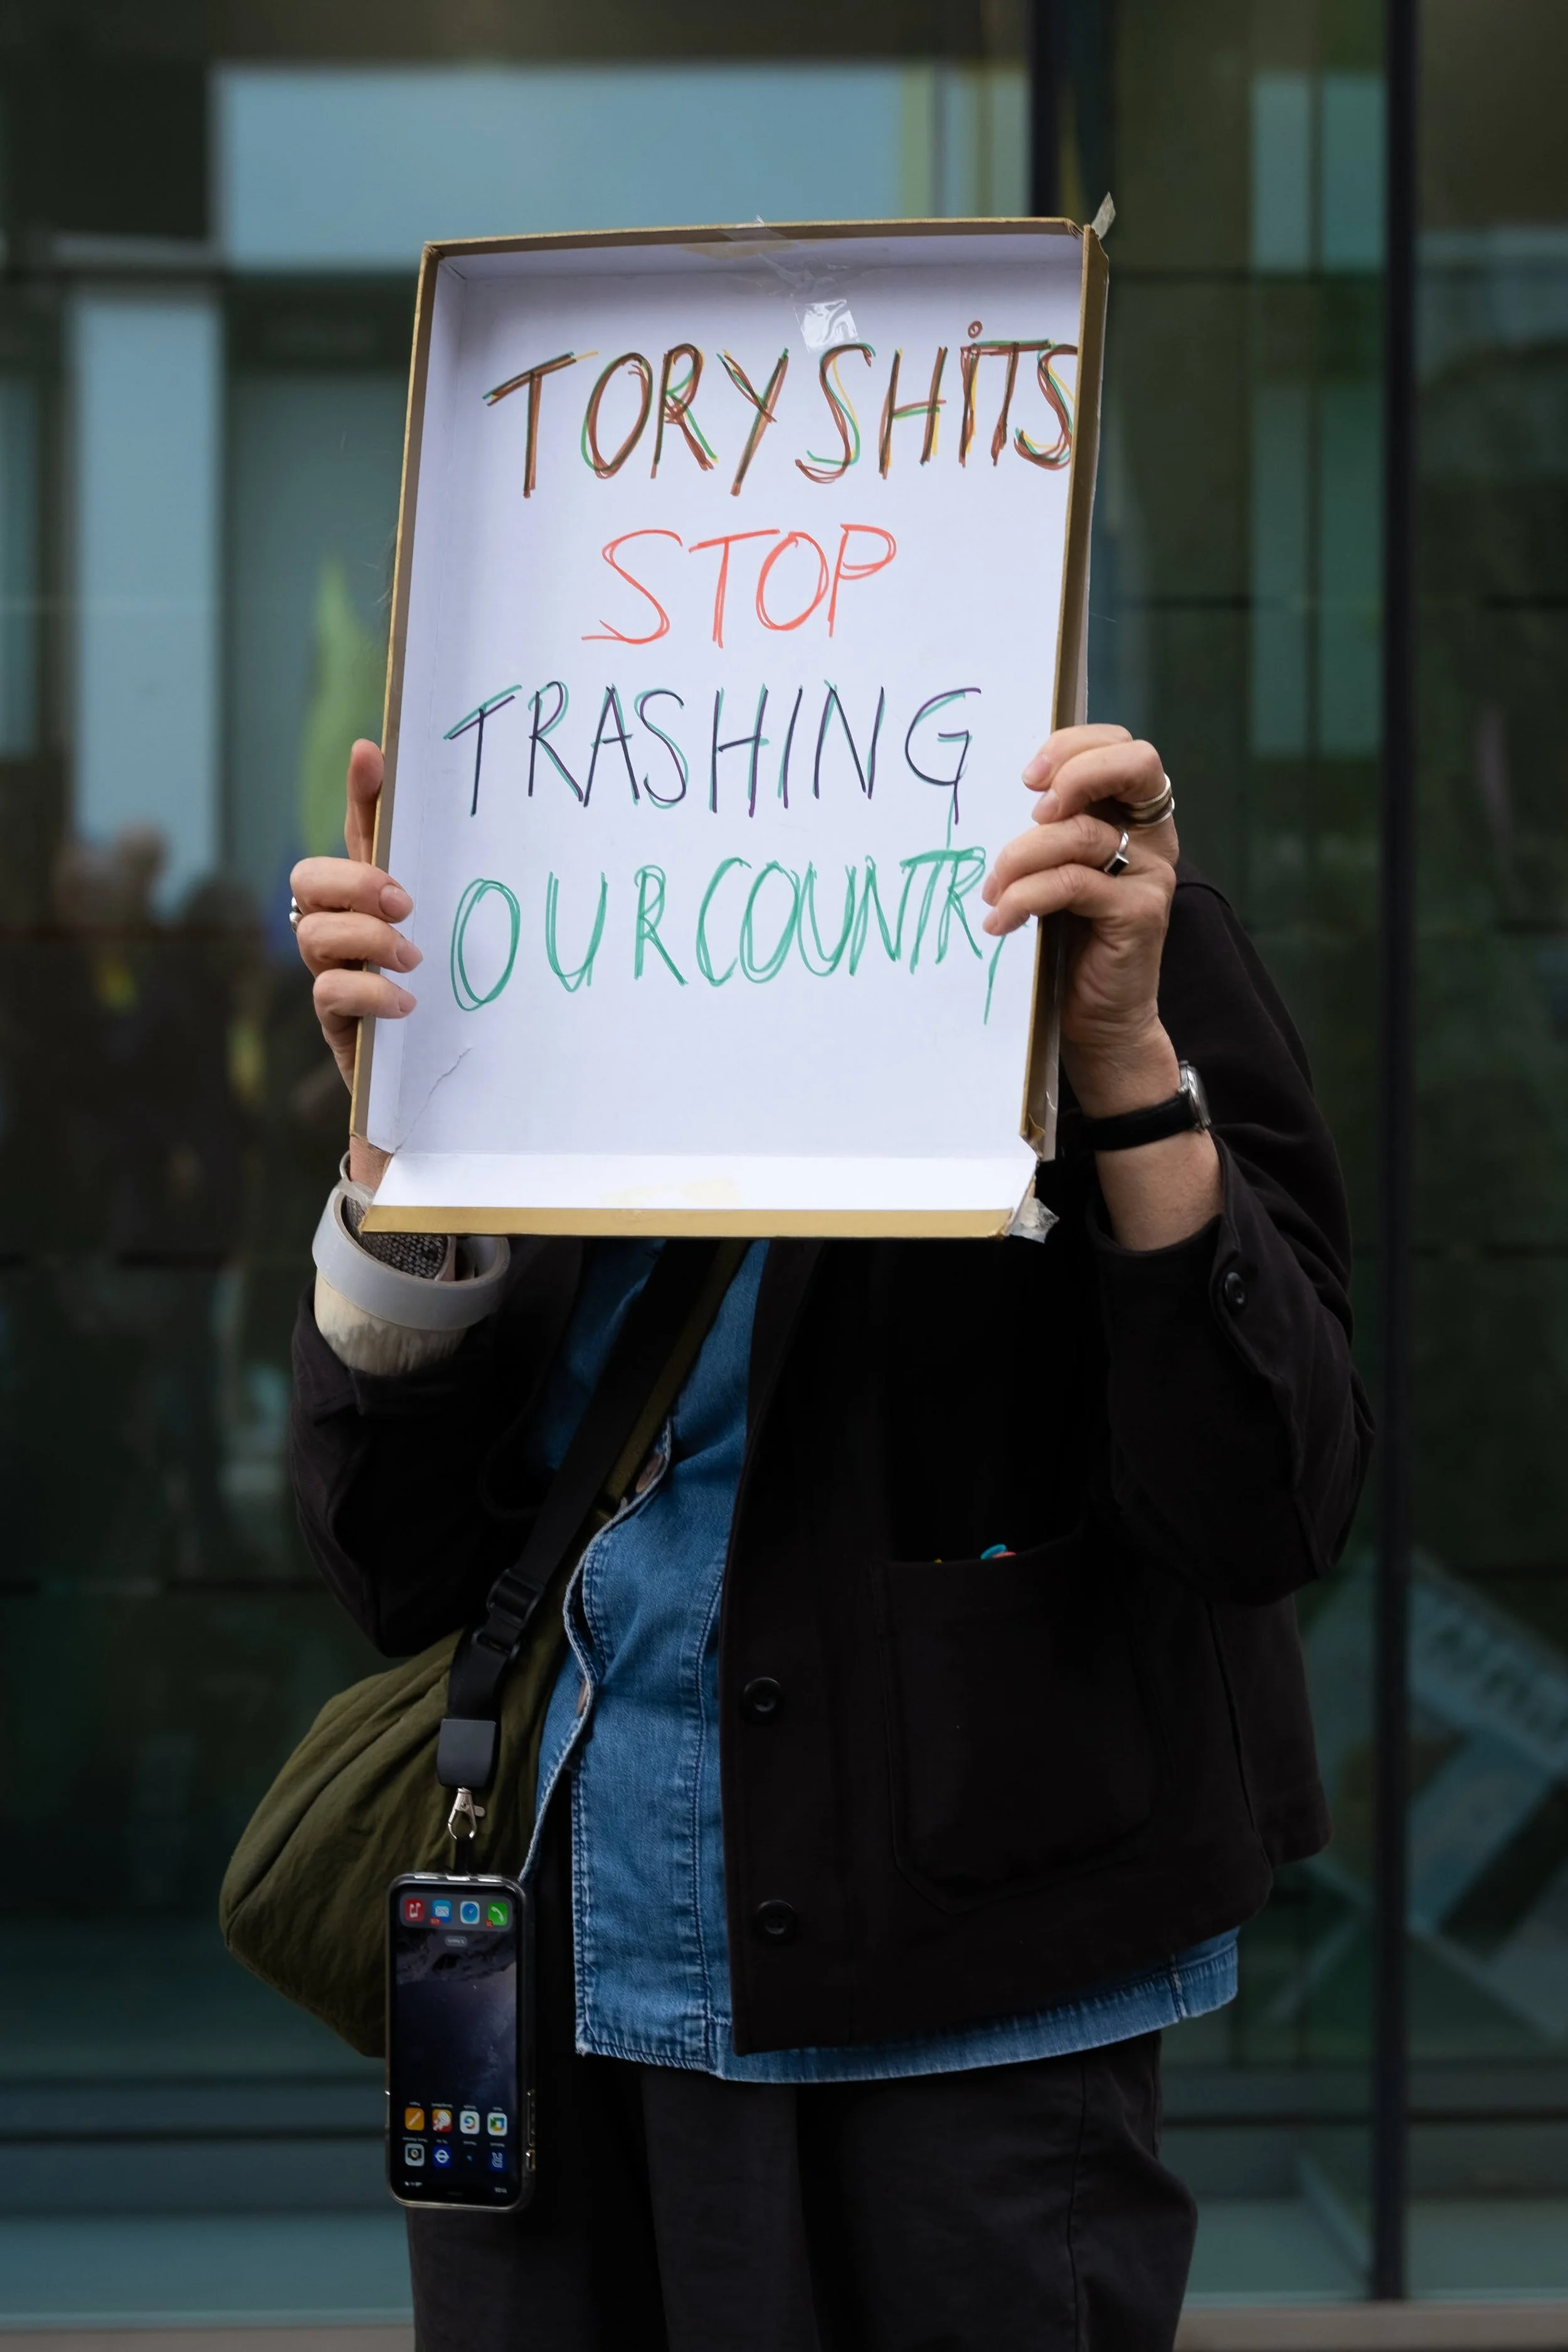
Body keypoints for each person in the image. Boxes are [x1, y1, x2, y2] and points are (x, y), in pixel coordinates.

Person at [288, 727, 1370, 2352]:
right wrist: (396, 1160)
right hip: (560, 1959)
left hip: (965, 1993)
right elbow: (397, 1562)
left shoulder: (1095, 917)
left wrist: (1126, 1063)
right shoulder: (515, 924)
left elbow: (1268, 1502)